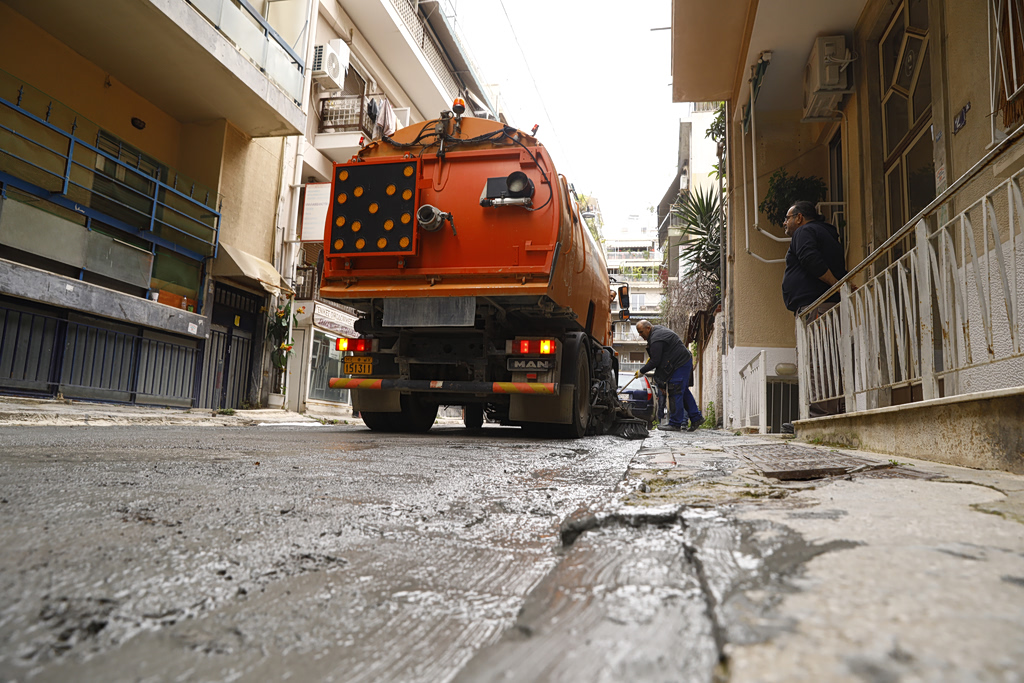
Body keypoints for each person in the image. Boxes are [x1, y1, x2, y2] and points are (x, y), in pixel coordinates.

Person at [781, 200, 848, 417]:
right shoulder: (827, 234)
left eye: (787, 218)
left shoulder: (804, 232)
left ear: (799, 217)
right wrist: (840, 282)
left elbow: (810, 258)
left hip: (815, 305)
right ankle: (827, 411)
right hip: (824, 303)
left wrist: (835, 283)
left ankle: (817, 415)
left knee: (815, 359)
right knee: (827, 357)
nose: (785, 223)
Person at [634, 319, 703, 431]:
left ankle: (675, 423)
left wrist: (642, 371)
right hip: (682, 362)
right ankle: (696, 418)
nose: (640, 335)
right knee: (683, 390)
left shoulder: (656, 338)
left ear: (648, 328)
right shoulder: (656, 333)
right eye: (639, 332)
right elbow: (660, 361)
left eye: (641, 332)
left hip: (680, 363)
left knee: (675, 389)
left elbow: (656, 361)